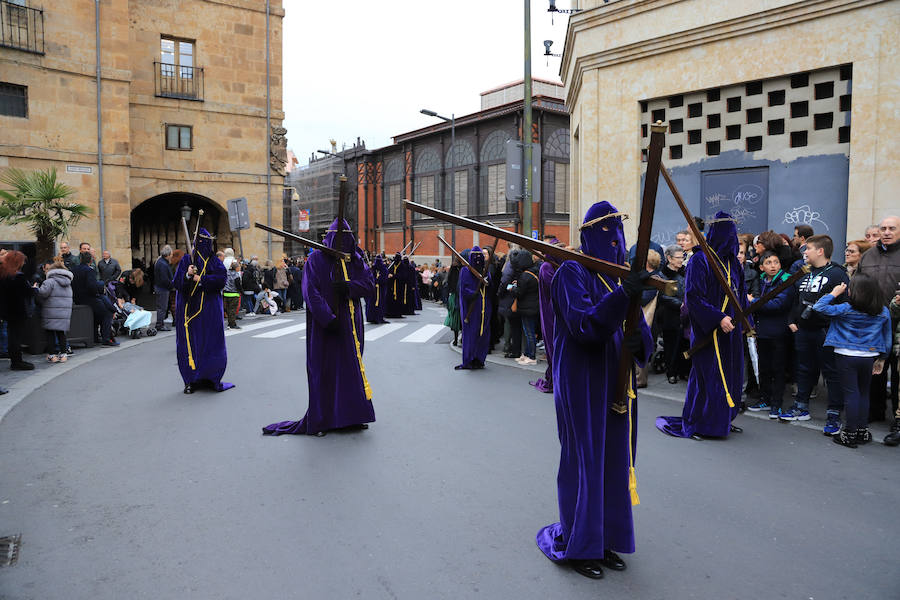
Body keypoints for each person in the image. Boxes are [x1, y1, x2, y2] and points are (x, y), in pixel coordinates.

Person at [536, 201, 652, 580]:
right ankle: (578, 542)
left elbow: (639, 332)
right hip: (582, 381)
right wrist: (622, 298)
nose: (615, 241)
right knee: (585, 462)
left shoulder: (620, 277)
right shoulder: (572, 271)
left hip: (617, 384)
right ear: (589, 235)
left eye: (619, 232)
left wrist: (639, 345)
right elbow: (584, 326)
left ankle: (604, 539)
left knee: (614, 462)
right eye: (607, 232)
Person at [262, 218, 375, 436]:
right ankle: (323, 418)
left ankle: (353, 416)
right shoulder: (316, 260)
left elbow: (369, 285)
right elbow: (310, 292)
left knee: (351, 370)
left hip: (350, 326)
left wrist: (349, 287)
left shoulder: (356, 260)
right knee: (324, 370)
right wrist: (327, 317)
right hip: (326, 327)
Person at [657, 212, 748, 439]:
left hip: (732, 330)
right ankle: (702, 422)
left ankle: (724, 418)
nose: (732, 240)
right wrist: (718, 317)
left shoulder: (733, 263)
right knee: (709, 378)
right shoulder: (700, 259)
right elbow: (694, 297)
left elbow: (742, 295)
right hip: (710, 331)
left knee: (731, 375)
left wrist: (746, 322)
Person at [813, 275, 891, 447]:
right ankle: (862, 431)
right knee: (863, 393)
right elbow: (887, 337)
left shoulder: (845, 308)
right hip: (869, 355)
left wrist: (834, 293)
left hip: (846, 354)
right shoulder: (883, 311)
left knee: (851, 393)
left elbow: (819, 307)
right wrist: (883, 358)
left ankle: (849, 433)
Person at [782, 234, 849, 434]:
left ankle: (834, 414)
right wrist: (792, 320)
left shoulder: (838, 274)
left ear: (820, 251)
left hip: (826, 331)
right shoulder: (804, 272)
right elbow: (797, 299)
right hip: (803, 330)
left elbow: (844, 304)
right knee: (804, 369)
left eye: (808, 248)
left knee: (831, 373)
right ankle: (801, 407)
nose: (804, 252)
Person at [173, 229, 233, 394]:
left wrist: (202, 280)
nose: (201, 246)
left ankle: (211, 377)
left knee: (210, 343)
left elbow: (222, 279)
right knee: (190, 344)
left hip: (209, 311)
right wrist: (187, 275)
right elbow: (177, 283)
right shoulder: (187, 260)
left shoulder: (214, 262)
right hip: (190, 310)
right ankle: (190, 380)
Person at [857, 216, 900, 423]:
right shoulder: (868, 256)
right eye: (883, 228)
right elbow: (856, 284)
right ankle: (875, 412)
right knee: (876, 369)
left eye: (892, 228)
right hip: (873, 323)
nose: (886, 232)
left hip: (898, 324)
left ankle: (897, 420)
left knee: (898, 373)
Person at [746, 251, 795, 418]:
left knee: (778, 369)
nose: (773, 265)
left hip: (779, 331)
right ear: (761, 267)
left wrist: (753, 301)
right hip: (763, 331)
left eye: (776, 262)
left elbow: (777, 304)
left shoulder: (785, 281)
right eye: (768, 263)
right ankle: (765, 399)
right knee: (764, 368)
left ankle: (777, 404)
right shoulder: (760, 281)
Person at [455, 246, 491, 370]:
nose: (477, 260)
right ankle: (469, 359)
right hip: (471, 308)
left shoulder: (485, 270)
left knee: (483, 333)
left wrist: (486, 280)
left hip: (484, 308)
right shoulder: (465, 271)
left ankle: (479, 358)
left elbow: (489, 285)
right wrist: (472, 293)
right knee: (470, 334)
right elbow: (463, 289)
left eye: (479, 256)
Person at [72, 251, 118, 347]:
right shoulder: (89, 270)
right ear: (91, 260)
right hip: (89, 298)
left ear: (80, 259)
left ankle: (95, 337)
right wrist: (98, 293)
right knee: (107, 314)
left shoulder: (74, 269)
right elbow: (91, 286)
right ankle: (106, 339)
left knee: (98, 315)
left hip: (78, 298)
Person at [0, 251, 36, 370]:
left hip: (8, 311)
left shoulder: (4, 275)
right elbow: (28, 292)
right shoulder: (18, 276)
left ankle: (15, 361)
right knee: (16, 337)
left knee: (12, 336)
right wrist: (34, 289)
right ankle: (17, 362)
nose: (24, 263)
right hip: (18, 311)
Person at [35, 257, 73, 363]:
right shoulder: (68, 283)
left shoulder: (50, 281)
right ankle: (64, 355)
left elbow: (43, 293)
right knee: (61, 334)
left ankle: (52, 355)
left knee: (50, 334)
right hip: (64, 313)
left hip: (50, 312)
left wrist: (36, 288)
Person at [658, 245, 687, 384]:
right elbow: (663, 297)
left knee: (683, 344)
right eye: (678, 257)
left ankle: (682, 371)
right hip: (670, 315)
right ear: (669, 258)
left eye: (683, 257)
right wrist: (680, 304)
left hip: (685, 315)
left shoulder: (685, 272)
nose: (681, 260)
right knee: (671, 345)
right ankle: (671, 372)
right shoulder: (663, 275)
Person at [510, 251, 540, 365]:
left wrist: (512, 288)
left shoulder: (524, 275)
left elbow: (519, 293)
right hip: (533, 306)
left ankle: (531, 356)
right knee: (529, 332)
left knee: (529, 333)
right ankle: (527, 354)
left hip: (527, 307)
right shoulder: (534, 272)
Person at [154, 245, 174, 331]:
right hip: (162, 289)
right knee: (162, 307)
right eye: (171, 254)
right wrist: (172, 285)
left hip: (160, 287)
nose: (172, 256)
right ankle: (159, 325)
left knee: (161, 307)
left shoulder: (160, 261)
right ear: (168, 254)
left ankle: (160, 323)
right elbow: (164, 279)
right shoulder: (163, 264)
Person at [443, 255, 462, 345]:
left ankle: (455, 339)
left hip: (453, 296)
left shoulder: (453, 269)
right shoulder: (460, 269)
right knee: (457, 317)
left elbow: (448, 283)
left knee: (454, 318)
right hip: (457, 296)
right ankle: (457, 338)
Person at [365, 254, 389, 324]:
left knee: (376, 303)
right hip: (376, 289)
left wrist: (376, 281)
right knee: (376, 303)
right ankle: (375, 317)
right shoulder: (376, 269)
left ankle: (375, 317)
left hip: (378, 289)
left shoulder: (375, 268)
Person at [223, 260, 243, 330]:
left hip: (226, 293)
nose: (240, 268)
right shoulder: (236, 275)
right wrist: (241, 292)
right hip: (234, 294)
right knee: (233, 310)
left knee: (228, 310)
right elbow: (238, 285)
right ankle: (232, 324)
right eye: (239, 267)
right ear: (236, 268)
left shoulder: (227, 273)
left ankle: (230, 323)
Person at [385, 252, 406, 318]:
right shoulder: (392, 265)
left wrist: (393, 276)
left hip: (399, 286)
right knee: (390, 299)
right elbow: (389, 271)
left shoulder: (402, 266)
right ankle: (390, 312)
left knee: (399, 299)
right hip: (391, 285)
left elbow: (403, 275)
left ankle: (398, 313)